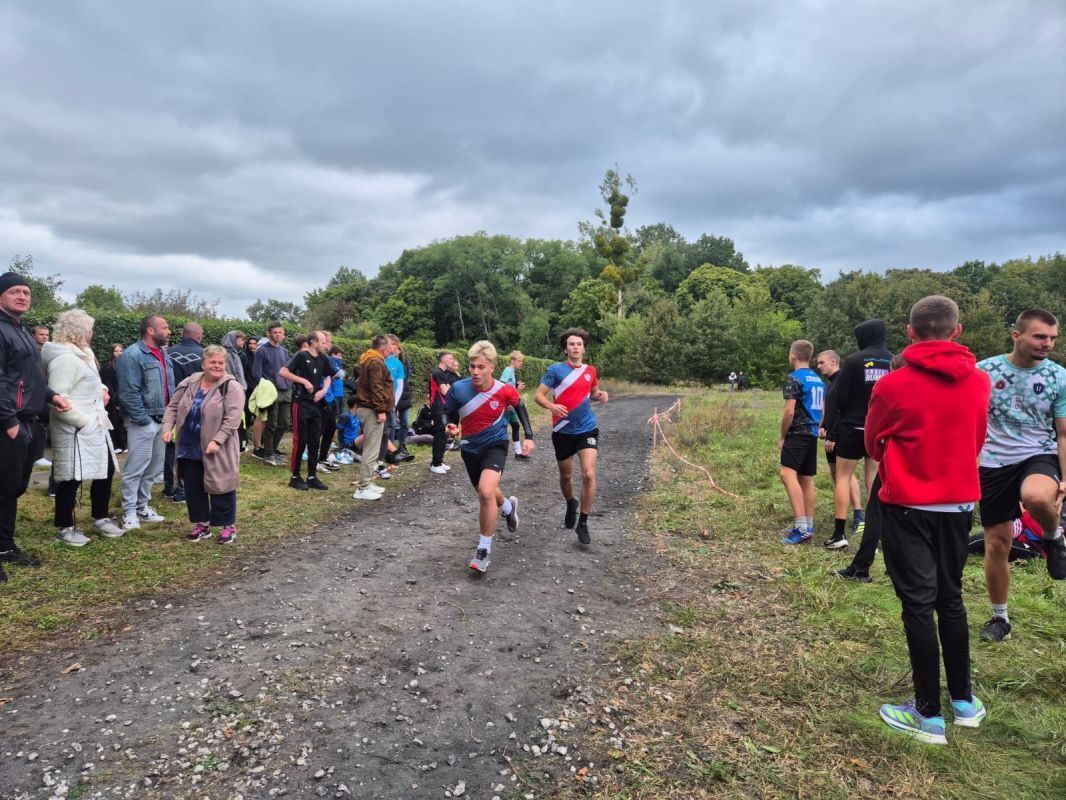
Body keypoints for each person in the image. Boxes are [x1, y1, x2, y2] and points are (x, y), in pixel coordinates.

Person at [867, 295, 990, 745]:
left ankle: (927, 714)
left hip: (907, 505)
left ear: (910, 332)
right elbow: (977, 438)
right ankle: (963, 702)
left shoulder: (892, 386)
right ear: (957, 331)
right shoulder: (980, 381)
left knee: (918, 605)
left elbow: (873, 442)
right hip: (958, 504)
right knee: (950, 599)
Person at [976, 309, 1066, 642]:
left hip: (1038, 453)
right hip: (993, 461)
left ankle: (1053, 537)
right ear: (1017, 335)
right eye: (1040, 336)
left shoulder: (1059, 376)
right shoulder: (984, 372)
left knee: (1036, 497)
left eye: (1052, 338)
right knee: (997, 544)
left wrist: (1065, 478)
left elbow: (1063, 434)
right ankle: (1000, 619)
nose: (1047, 343)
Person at [0, 272, 72, 581]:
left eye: (26, 292)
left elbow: (30, 377)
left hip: (28, 420)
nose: (22, 296)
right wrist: (8, 421)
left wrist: (51, 395)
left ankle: (5, 547)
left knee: (13, 489)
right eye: (14, 291)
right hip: (8, 423)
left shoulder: (22, 331)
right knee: (2, 489)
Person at [443, 340, 534, 572]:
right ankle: (508, 508)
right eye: (472, 366)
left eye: (481, 367)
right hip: (470, 448)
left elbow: (520, 407)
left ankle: (483, 552)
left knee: (485, 491)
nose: (475, 371)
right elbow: (448, 412)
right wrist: (450, 425)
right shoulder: (458, 388)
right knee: (487, 491)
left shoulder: (504, 390)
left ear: (492, 367)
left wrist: (529, 436)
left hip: (495, 444)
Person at [42, 310, 125, 545]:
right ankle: (65, 526)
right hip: (76, 428)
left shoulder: (84, 353)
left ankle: (100, 517)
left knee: (105, 470)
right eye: (90, 329)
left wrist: (104, 390)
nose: (92, 333)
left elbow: (92, 380)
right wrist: (83, 422)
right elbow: (59, 397)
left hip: (96, 424)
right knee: (71, 477)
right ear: (80, 331)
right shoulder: (64, 358)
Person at [834, 353, 907, 582]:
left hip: (893, 460)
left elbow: (874, 429)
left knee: (878, 511)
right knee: (899, 515)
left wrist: (877, 449)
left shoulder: (893, 390)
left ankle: (862, 567)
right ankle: (894, 567)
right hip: (915, 463)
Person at [162, 345, 245, 544]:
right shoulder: (190, 382)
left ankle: (227, 526)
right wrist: (167, 427)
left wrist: (217, 440)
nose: (217, 366)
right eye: (212, 362)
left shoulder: (231, 386)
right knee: (194, 487)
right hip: (189, 445)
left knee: (221, 484)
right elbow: (173, 406)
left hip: (218, 448)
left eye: (220, 363)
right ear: (203, 364)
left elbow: (233, 419)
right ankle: (202, 524)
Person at [535, 327, 609, 545]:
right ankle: (570, 502)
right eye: (571, 344)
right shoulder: (556, 370)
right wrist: (552, 406)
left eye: (579, 344)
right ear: (565, 349)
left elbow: (592, 393)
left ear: (584, 349)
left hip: (587, 428)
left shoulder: (591, 371)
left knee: (588, 474)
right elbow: (538, 395)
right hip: (562, 431)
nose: (575, 347)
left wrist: (600, 395)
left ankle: (583, 523)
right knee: (566, 476)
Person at [824, 320, 892, 549]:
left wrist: (835, 426)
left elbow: (839, 398)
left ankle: (839, 535)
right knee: (874, 479)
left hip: (852, 427)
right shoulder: (893, 360)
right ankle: (877, 534)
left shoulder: (854, 360)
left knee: (843, 477)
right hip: (879, 429)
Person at [116, 315, 174, 530]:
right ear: (150, 330)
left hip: (162, 420)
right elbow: (128, 392)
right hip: (143, 421)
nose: (169, 331)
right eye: (165, 327)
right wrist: (143, 420)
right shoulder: (132, 355)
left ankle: (142, 506)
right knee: (135, 468)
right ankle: (129, 511)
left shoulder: (163, 354)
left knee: (153, 467)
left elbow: (169, 387)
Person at [779, 340, 826, 544]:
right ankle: (808, 524)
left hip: (797, 432)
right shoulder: (818, 379)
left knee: (787, 474)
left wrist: (783, 435)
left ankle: (800, 527)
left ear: (792, 356)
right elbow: (823, 411)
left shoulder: (794, 378)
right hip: (812, 432)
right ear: (811, 357)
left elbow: (789, 411)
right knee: (806, 478)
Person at [816, 349, 863, 546]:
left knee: (846, 475)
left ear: (834, 362)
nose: (819, 366)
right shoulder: (830, 383)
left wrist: (833, 435)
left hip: (841, 434)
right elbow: (830, 410)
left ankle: (859, 516)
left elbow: (843, 411)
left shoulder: (843, 380)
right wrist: (823, 425)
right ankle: (844, 512)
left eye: (821, 362)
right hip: (831, 433)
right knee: (836, 474)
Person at [279, 331, 331, 491]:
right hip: (300, 403)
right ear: (313, 342)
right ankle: (295, 477)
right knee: (300, 440)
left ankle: (312, 476)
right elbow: (283, 372)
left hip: (316, 404)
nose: (326, 345)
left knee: (315, 440)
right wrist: (304, 381)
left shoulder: (323, 358)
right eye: (323, 342)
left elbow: (328, 376)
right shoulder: (301, 356)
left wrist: (323, 390)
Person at [163, 322, 205, 503]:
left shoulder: (167, 353)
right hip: (194, 406)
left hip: (170, 403)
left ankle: (169, 486)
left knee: (170, 446)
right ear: (198, 336)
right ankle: (184, 487)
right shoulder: (203, 355)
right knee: (189, 445)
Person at [352, 335, 394, 500]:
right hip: (372, 410)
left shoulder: (369, 358)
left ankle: (368, 483)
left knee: (373, 448)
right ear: (384, 348)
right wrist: (381, 410)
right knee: (371, 449)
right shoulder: (375, 362)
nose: (392, 350)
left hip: (369, 408)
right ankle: (362, 488)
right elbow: (376, 388)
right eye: (390, 347)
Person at [251, 322, 291, 466]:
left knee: (284, 423)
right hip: (270, 392)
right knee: (271, 424)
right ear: (269, 333)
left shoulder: (284, 351)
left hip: (285, 391)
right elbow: (256, 374)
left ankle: (272, 450)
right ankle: (268, 454)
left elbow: (287, 371)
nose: (278, 335)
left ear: (283, 334)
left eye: (280, 332)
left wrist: (290, 384)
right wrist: (265, 389)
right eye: (275, 332)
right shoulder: (262, 351)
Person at [429, 351, 461, 474]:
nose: (452, 361)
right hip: (438, 408)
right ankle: (435, 464)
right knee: (440, 435)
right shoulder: (437, 372)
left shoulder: (443, 373)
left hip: (444, 407)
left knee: (444, 434)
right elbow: (445, 391)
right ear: (444, 360)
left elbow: (448, 388)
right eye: (450, 359)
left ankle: (439, 461)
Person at [501, 350, 532, 461]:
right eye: (519, 361)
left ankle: (518, 453)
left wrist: (516, 387)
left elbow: (510, 388)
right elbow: (502, 386)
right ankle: (498, 453)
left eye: (521, 361)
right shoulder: (508, 370)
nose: (520, 363)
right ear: (512, 361)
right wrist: (506, 403)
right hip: (506, 406)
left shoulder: (512, 371)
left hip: (511, 404)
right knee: (502, 428)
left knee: (515, 426)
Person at [390, 336, 416, 463]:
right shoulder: (386, 360)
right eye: (392, 345)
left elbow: (405, 377)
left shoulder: (404, 361)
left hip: (404, 395)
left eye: (396, 346)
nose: (395, 348)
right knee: (391, 423)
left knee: (405, 422)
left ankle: (402, 444)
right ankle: (391, 448)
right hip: (391, 394)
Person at [221, 330, 248, 450]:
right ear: (233, 339)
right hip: (232, 393)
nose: (243, 342)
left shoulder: (235, 354)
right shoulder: (226, 354)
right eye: (241, 339)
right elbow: (232, 374)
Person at [99, 343, 127, 453]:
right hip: (111, 399)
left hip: (123, 397)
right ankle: (115, 445)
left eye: (120, 351)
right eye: (116, 351)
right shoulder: (107, 367)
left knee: (123, 422)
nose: (119, 353)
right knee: (113, 421)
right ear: (112, 353)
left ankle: (124, 444)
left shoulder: (127, 366)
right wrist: (114, 399)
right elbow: (106, 383)